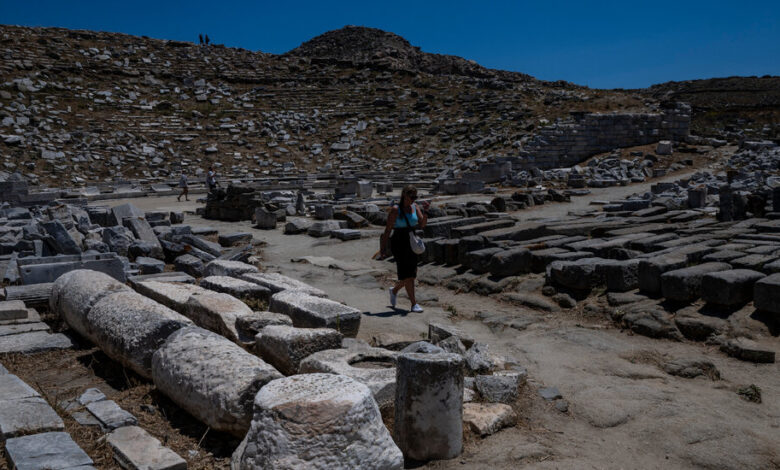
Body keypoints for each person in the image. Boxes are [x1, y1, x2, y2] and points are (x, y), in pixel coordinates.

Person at [381, 185, 429, 312]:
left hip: (411, 240)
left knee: (411, 275)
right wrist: (383, 248)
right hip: (399, 242)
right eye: (411, 196)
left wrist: (426, 212)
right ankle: (414, 304)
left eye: (415, 196)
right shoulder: (396, 210)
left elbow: (422, 224)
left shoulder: (415, 207)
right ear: (404, 195)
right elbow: (387, 230)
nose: (413, 199)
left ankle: (395, 290)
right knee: (407, 274)